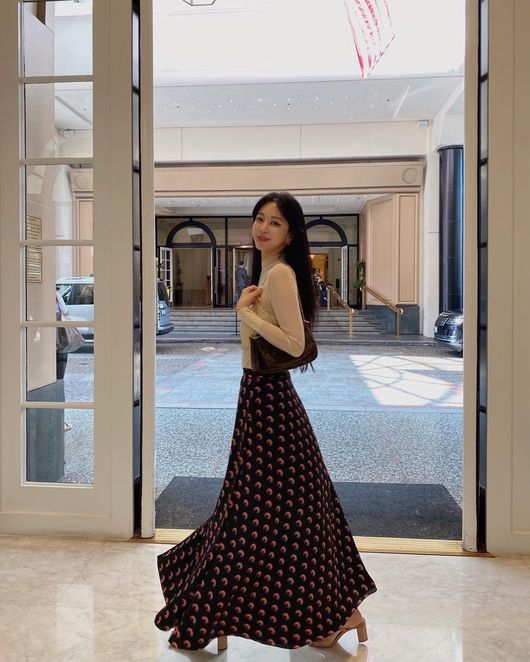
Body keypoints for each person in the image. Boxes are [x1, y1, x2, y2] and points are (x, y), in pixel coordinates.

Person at [154, 192, 376, 652]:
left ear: (290, 234)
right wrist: (249, 312)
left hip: (271, 404)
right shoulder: (267, 273)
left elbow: (295, 344)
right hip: (261, 398)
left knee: (255, 518)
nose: (262, 228)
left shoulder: (279, 275)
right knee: (282, 517)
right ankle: (333, 613)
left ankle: (224, 613)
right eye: (259, 219)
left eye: (274, 222)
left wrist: (246, 314)